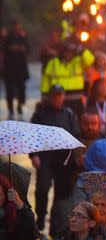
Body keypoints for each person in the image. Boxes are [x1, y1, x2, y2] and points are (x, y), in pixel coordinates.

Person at [30, 84, 79, 232]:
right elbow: (32, 135)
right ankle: (41, 217)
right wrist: (34, 155)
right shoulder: (41, 114)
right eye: (55, 95)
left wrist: (75, 157)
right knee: (43, 190)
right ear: (50, 96)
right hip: (45, 159)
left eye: (60, 95)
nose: (57, 98)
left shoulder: (69, 114)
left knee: (61, 193)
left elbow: (75, 134)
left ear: (63, 96)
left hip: (63, 160)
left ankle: (55, 223)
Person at [2, 20, 30, 118]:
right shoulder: (7, 38)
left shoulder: (23, 38)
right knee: (9, 90)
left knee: (21, 89)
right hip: (10, 69)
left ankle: (20, 105)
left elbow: (28, 49)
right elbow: (4, 49)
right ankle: (10, 108)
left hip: (21, 69)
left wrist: (22, 48)